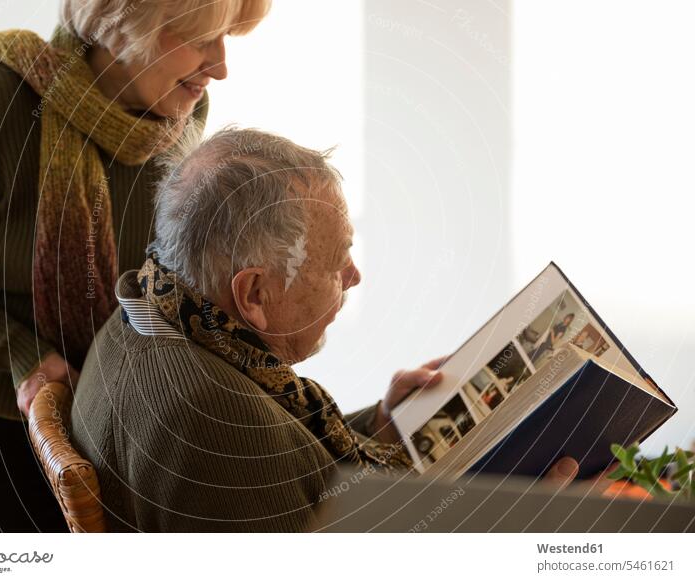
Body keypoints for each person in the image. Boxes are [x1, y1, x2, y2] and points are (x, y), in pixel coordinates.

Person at [70, 127, 582, 532]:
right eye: (337, 263)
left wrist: (380, 427)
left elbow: (294, 477)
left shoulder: (144, 309)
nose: (354, 277)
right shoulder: (217, 426)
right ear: (253, 295)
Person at [0, 0, 270, 532]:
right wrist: (24, 356)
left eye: (227, 38)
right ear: (123, 24)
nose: (220, 66)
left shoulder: (181, 113)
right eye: (199, 40)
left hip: (112, 418)